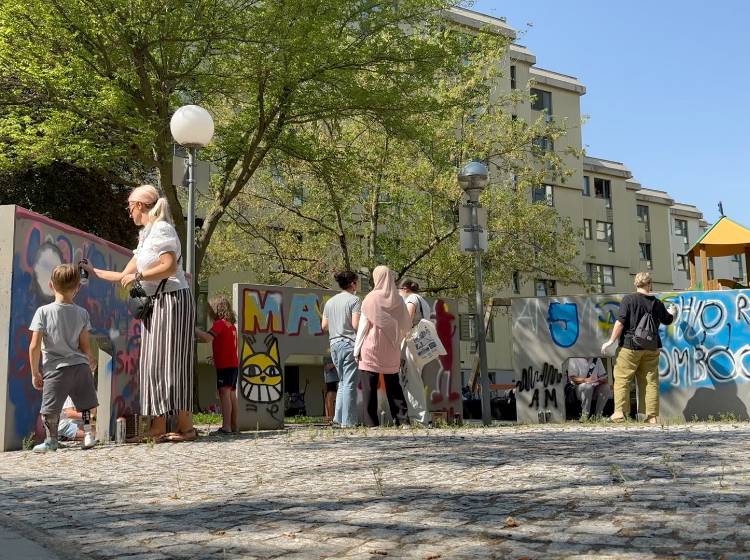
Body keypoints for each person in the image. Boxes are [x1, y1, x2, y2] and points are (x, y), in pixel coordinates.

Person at [82, 185, 196, 442]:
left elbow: (168, 267)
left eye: (129, 206)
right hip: (157, 304)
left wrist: (140, 276)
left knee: (170, 363)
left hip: (172, 300)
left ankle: (182, 427)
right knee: (154, 364)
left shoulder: (162, 230)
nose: (128, 212)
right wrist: (93, 271)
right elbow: (125, 276)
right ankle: (160, 426)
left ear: (141, 206)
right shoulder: (146, 236)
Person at [28, 264, 98, 452]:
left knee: (50, 409)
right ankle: (89, 435)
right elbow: (85, 345)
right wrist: (90, 358)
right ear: (77, 288)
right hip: (80, 367)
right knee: (85, 405)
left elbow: (34, 346)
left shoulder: (43, 312)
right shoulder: (82, 313)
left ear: (51, 285)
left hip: (56, 369)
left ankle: (51, 440)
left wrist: (35, 372)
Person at [601, 272, 677, 424]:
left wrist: (610, 341)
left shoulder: (629, 300)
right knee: (650, 381)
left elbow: (620, 323)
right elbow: (668, 320)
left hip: (629, 347)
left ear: (636, 284)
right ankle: (652, 417)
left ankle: (619, 413)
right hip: (651, 348)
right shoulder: (657, 303)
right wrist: (673, 313)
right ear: (649, 284)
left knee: (622, 379)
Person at [355, 266, 412, 427]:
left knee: (369, 387)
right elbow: (404, 324)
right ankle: (402, 420)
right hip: (391, 347)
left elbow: (363, 325)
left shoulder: (371, 298)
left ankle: (371, 423)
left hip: (371, 347)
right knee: (394, 385)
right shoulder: (399, 299)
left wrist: (356, 349)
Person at [321, 271, 361, 427]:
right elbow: (356, 325)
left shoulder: (330, 302)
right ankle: (349, 421)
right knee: (349, 383)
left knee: (342, 382)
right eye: (356, 283)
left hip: (334, 344)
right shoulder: (355, 300)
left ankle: (338, 418)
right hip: (349, 343)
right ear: (352, 283)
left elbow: (324, 326)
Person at [196, 296, 239, 435]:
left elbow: (208, 338)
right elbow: (228, 345)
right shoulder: (230, 325)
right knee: (231, 394)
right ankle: (234, 425)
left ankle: (226, 426)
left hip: (225, 366)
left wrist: (194, 329)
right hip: (232, 364)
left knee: (224, 394)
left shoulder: (219, 324)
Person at [398, 280, 432, 426]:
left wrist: (397, 338)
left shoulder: (411, 299)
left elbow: (408, 319)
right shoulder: (424, 302)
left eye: (399, 289)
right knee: (414, 379)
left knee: (411, 381)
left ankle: (418, 418)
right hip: (421, 345)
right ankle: (419, 416)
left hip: (411, 343)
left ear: (405, 289)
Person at [322, 356, 338, 423]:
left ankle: (331, 417)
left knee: (330, 399)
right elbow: (326, 368)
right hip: (329, 380)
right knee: (328, 399)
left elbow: (327, 367)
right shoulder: (326, 356)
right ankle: (329, 417)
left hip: (334, 379)